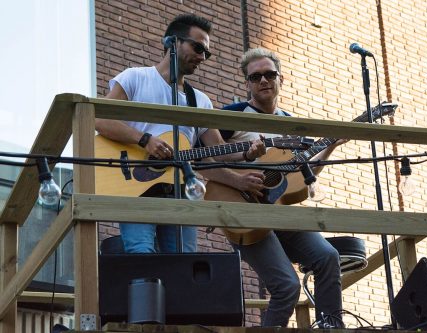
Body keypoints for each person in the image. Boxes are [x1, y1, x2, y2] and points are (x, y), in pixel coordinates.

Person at [95, 14, 265, 254]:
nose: (202, 57)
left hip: (180, 191)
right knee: (141, 253)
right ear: (172, 42)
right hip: (134, 186)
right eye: (197, 48)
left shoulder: (200, 101)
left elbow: (214, 155)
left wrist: (246, 155)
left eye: (206, 53)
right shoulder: (135, 77)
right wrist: (144, 140)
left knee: (184, 262)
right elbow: (100, 120)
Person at [215, 48, 347, 328]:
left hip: (283, 211)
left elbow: (301, 177)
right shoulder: (233, 115)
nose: (264, 80)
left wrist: (330, 147)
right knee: (287, 287)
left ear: (281, 79)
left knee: (328, 257)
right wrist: (243, 166)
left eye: (269, 74)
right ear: (247, 84)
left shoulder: (291, 125)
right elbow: (207, 155)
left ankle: (332, 326)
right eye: (256, 76)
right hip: (245, 212)